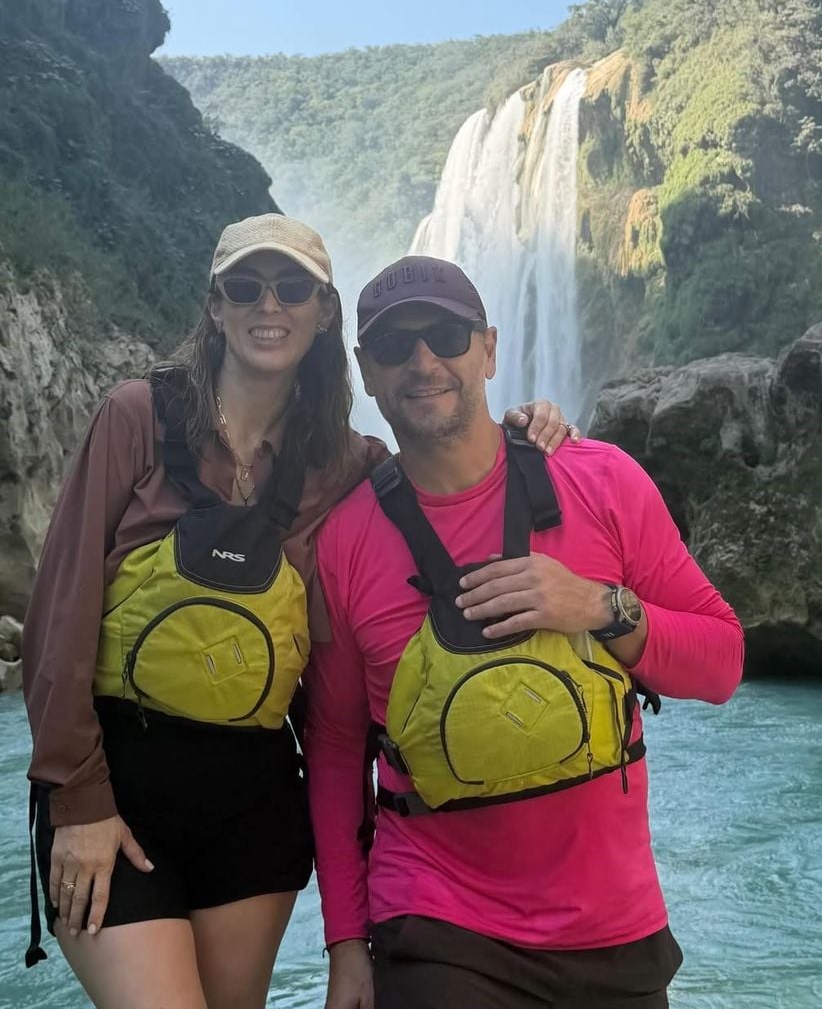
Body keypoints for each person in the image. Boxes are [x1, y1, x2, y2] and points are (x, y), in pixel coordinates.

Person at [21, 215, 576, 1009]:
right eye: (246, 287)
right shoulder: (136, 418)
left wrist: (529, 428)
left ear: (323, 313)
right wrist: (78, 803)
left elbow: (453, 470)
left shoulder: (350, 468)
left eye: (292, 288)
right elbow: (60, 616)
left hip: (253, 803)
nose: (267, 304)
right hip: (116, 790)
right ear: (215, 307)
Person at [305, 255, 745, 1009]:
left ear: (490, 349)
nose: (423, 361)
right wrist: (346, 945)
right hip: (438, 921)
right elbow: (339, 749)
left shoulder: (601, 481)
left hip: (613, 925)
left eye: (446, 334)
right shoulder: (344, 543)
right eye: (393, 345)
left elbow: (722, 662)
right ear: (365, 373)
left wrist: (602, 607)